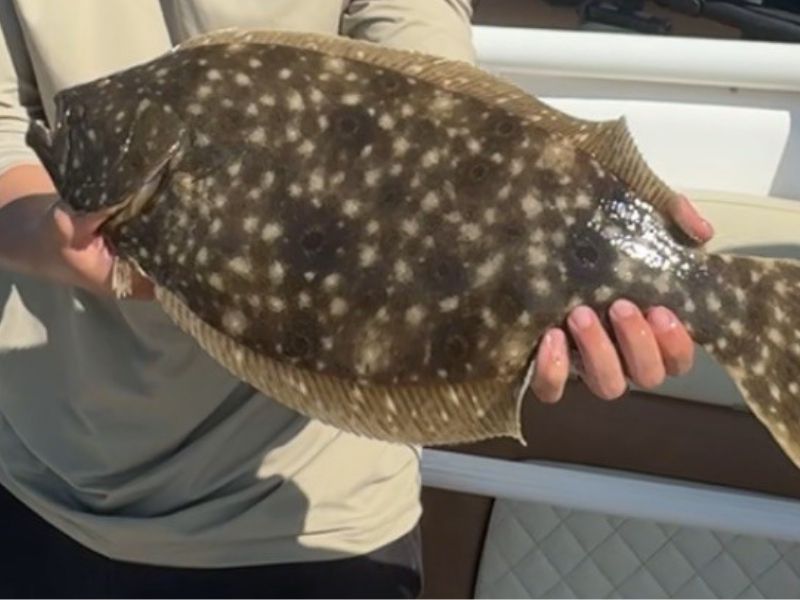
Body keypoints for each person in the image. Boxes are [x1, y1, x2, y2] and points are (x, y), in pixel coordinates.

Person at [0, 0, 712, 597]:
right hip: (51, 482)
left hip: (318, 518)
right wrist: (42, 232)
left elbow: (413, 24)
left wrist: (496, 226)